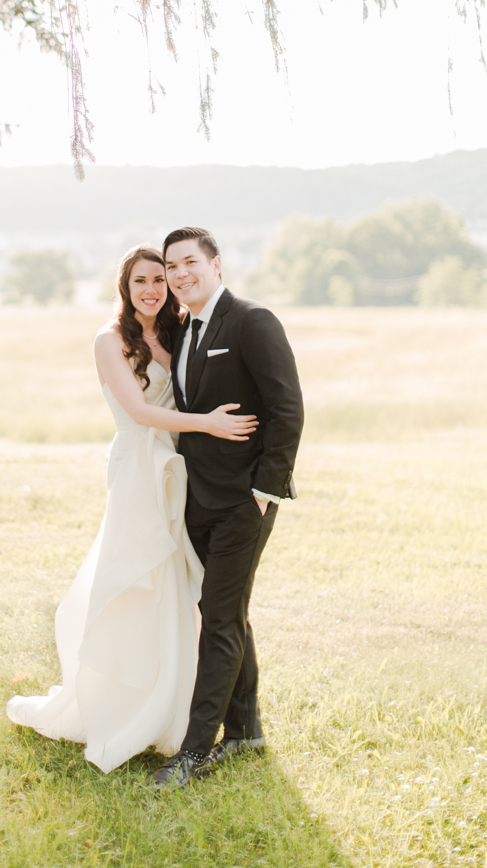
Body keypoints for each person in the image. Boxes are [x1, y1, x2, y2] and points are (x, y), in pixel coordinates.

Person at [5, 244, 259, 773]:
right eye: (141, 280)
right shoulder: (109, 340)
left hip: (180, 468)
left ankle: (179, 704)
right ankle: (125, 704)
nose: (151, 290)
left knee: (178, 584)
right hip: (140, 468)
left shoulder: (177, 331)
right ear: (125, 286)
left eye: (159, 281)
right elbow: (141, 411)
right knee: (138, 574)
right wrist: (210, 423)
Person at [150, 227, 304, 789]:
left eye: (190, 262)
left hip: (245, 501)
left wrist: (267, 489)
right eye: (171, 267)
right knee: (227, 611)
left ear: (216, 263)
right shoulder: (186, 327)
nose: (179, 274)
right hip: (198, 497)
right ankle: (246, 732)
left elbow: (287, 407)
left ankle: (194, 751)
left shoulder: (251, 320)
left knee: (216, 616)